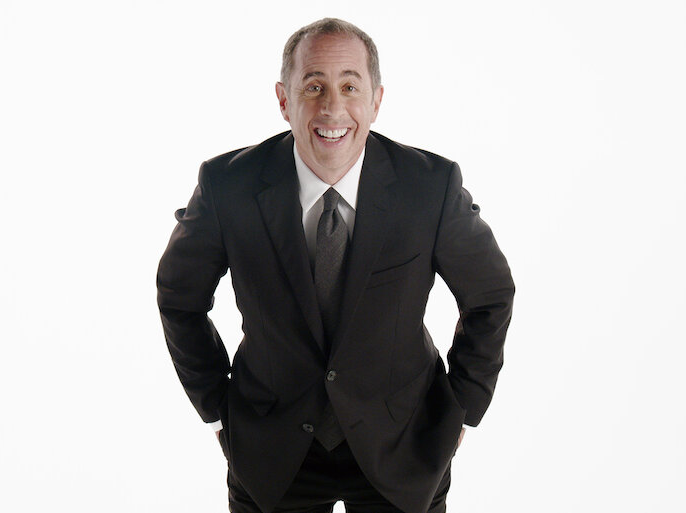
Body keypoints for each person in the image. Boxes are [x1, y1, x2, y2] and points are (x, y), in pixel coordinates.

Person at [157, 18, 514, 513]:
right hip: (271, 448)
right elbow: (180, 297)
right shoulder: (227, 186)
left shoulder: (430, 187)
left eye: (350, 87)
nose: (332, 107)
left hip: (403, 444)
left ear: (376, 100)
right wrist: (217, 409)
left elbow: (490, 296)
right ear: (284, 100)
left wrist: (463, 410)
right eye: (313, 86)